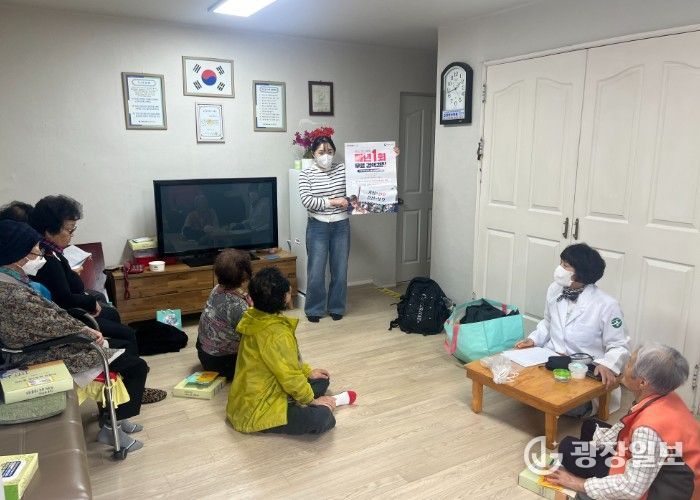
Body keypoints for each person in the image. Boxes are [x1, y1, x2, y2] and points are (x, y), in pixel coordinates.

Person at [0, 220, 148, 452]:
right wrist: (86, 332)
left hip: (48, 343)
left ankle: (114, 419)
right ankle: (112, 427)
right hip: (37, 355)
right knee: (136, 367)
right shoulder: (11, 295)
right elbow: (50, 324)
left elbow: (50, 319)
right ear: (17, 254)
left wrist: (85, 330)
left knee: (124, 348)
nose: (39, 252)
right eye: (34, 248)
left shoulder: (12, 280)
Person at [548, 343, 700, 499]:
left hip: (660, 487)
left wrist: (578, 483)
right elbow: (625, 427)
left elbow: (632, 488)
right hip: (657, 463)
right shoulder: (665, 393)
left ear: (642, 382)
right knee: (590, 426)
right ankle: (593, 466)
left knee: (567, 447)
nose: (624, 366)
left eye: (629, 364)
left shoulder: (648, 430)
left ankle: (594, 482)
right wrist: (596, 445)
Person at [226, 267, 355, 435]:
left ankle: (308, 401)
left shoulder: (255, 316)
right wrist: (312, 400)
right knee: (324, 419)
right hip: (257, 411)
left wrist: (307, 372)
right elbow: (290, 375)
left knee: (322, 380)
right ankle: (327, 404)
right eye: (288, 290)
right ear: (284, 298)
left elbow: (288, 363)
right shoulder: (277, 334)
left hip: (252, 398)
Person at [515, 243, 630, 414]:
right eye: (561, 263)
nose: (559, 269)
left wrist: (607, 365)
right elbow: (548, 322)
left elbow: (619, 345)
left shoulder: (607, 305)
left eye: (566, 266)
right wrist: (533, 339)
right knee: (517, 383)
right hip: (551, 360)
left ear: (580, 273)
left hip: (581, 369)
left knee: (561, 403)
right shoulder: (555, 289)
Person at [298, 137, 398, 323]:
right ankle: (314, 309)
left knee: (340, 269)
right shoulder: (306, 174)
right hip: (317, 225)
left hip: (341, 225)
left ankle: (336, 307)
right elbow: (307, 201)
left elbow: (369, 173)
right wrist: (334, 201)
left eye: (329, 152)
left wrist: (389, 157)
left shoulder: (343, 169)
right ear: (313, 154)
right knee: (316, 270)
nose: (326, 156)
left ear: (334, 152)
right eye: (321, 152)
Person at [196, 249, 252, 380]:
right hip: (222, 363)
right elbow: (251, 337)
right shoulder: (239, 306)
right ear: (245, 275)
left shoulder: (217, 289)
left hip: (203, 353)